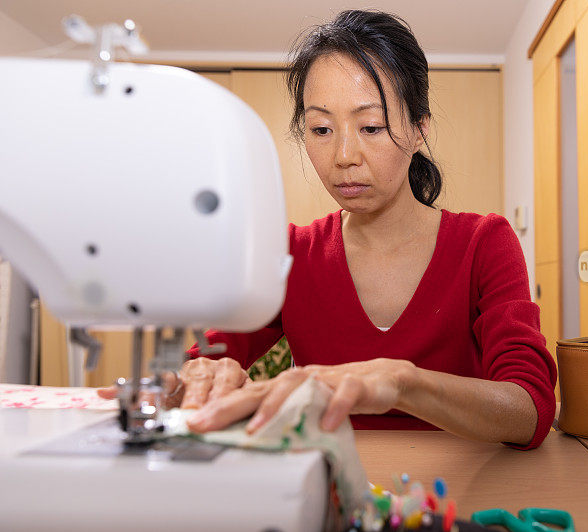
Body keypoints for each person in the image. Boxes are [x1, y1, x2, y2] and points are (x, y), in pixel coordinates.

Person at [100, 9, 557, 449]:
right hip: (332, 483)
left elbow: (530, 407)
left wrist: (401, 383)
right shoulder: (293, 254)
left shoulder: (484, 244)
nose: (343, 156)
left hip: (457, 492)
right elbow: (211, 356)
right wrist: (194, 380)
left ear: (420, 130)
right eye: (321, 130)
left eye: (371, 126)